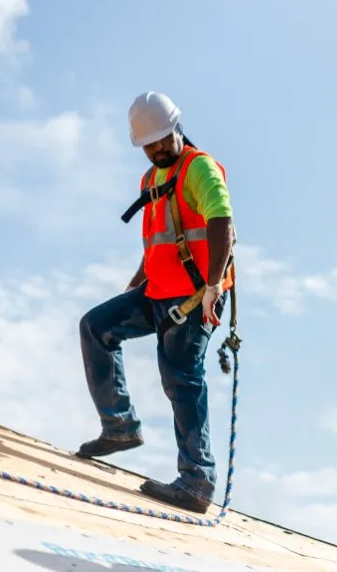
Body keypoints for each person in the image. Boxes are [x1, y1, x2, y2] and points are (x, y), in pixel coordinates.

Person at [75, 91, 236, 514]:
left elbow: (222, 220)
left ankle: (197, 482)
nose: (159, 147)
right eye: (150, 143)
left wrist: (215, 285)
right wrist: (134, 286)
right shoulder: (151, 180)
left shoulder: (198, 169)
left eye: (164, 138)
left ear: (177, 128)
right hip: (155, 291)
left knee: (181, 377)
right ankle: (119, 426)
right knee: (96, 327)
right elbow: (160, 242)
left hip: (193, 296)